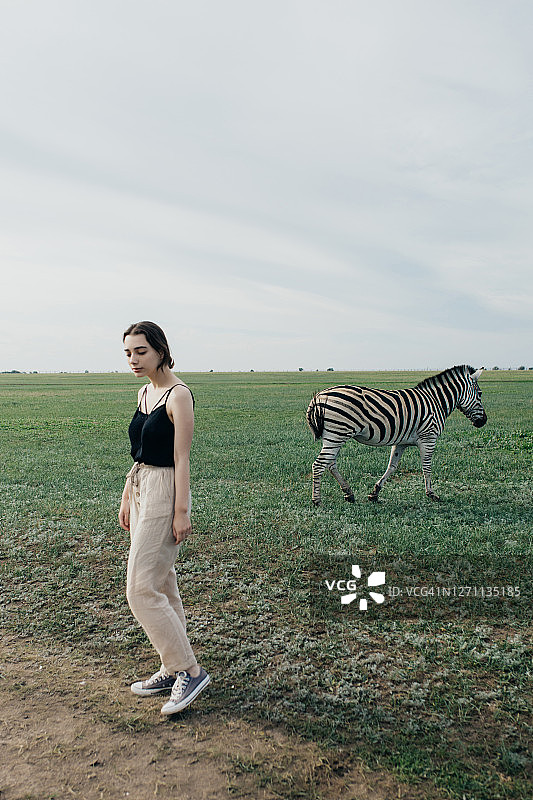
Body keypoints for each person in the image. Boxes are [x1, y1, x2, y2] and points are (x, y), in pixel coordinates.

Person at [118, 320, 210, 715]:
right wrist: (127, 494)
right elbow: (140, 451)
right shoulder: (145, 392)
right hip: (140, 485)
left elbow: (181, 457)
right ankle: (172, 668)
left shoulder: (179, 395)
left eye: (141, 351)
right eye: (128, 353)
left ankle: (189, 670)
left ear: (160, 350)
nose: (134, 359)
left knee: (140, 588)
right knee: (162, 582)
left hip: (165, 490)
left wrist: (181, 511)